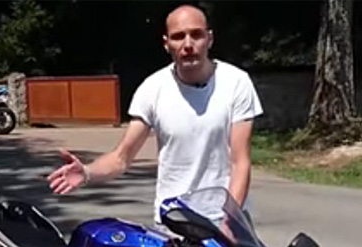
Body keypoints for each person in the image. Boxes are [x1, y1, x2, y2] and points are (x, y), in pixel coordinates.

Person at [46, 4, 264, 225]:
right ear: (166, 44)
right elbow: (121, 158)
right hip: (174, 221)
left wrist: (230, 222)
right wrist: (87, 172)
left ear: (209, 39)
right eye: (178, 37)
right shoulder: (152, 89)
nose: (188, 44)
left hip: (227, 219)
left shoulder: (236, 83)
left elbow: (240, 162)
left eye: (196, 35)